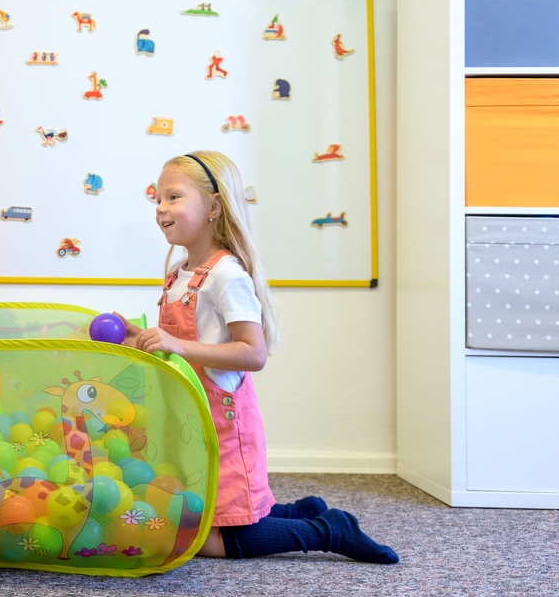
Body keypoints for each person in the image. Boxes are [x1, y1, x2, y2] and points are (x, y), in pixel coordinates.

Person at [121, 151, 397, 564]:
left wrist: (177, 345)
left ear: (214, 207)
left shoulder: (226, 275)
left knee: (206, 543)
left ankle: (328, 530)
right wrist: (138, 338)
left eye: (174, 197)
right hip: (190, 424)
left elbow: (253, 352)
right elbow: (176, 346)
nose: (161, 208)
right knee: (197, 519)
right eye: (157, 198)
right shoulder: (178, 273)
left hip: (222, 426)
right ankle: (295, 512)